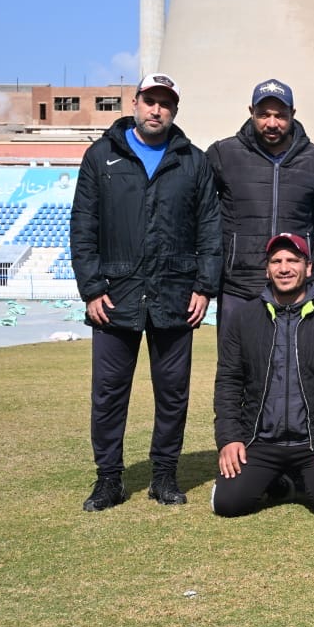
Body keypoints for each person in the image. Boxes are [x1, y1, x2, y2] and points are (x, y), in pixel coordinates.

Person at [71, 73, 221, 512]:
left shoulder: (193, 161)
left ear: (175, 110)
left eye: (166, 103)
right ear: (134, 103)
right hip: (114, 295)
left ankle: (164, 476)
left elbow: (210, 229)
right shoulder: (101, 156)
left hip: (175, 295)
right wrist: (91, 288)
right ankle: (109, 479)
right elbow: (83, 226)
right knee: (109, 393)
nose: (157, 110)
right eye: (150, 101)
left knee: (172, 393)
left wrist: (204, 286)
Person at [212, 233, 314, 517]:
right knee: (228, 504)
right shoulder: (243, 317)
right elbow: (228, 383)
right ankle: (279, 480)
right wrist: (229, 438)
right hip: (260, 440)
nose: (284, 268)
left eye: (293, 260)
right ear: (267, 270)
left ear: (308, 268)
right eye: (276, 261)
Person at [207, 78, 314, 326]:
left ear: (292, 114)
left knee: (295, 352)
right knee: (236, 352)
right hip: (238, 286)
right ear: (251, 112)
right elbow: (204, 219)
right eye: (264, 115)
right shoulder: (223, 154)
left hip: (295, 287)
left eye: (280, 115)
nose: (272, 123)